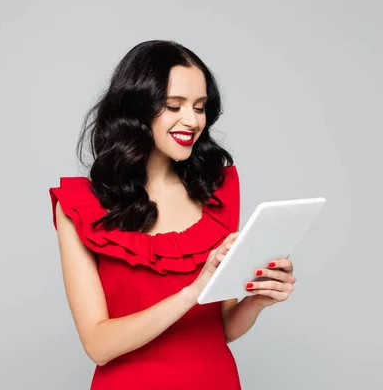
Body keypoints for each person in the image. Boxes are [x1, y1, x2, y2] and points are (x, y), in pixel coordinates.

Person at [48, 40, 296, 390]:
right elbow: (99, 345)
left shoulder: (217, 194)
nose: (192, 120)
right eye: (173, 106)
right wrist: (189, 293)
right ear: (137, 108)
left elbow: (219, 328)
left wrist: (255, 301)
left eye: (199, 107)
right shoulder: (79, 205)